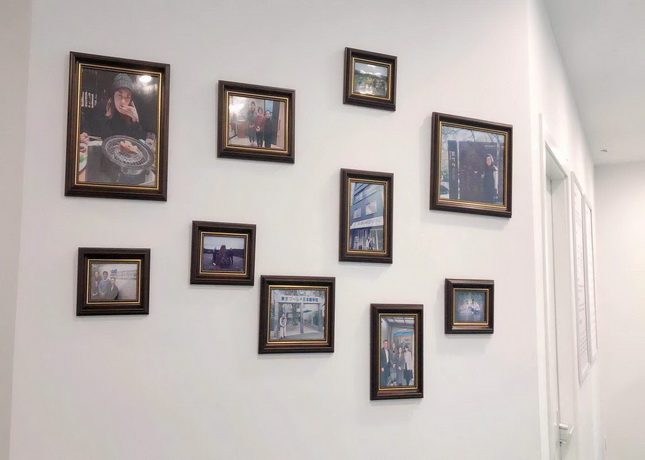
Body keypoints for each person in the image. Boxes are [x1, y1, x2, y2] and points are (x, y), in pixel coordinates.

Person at [80, 73, 146, 142]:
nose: (123, 101)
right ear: (113, 95)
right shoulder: (101, 108)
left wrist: (135, 120)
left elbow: (135, 141)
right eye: (120, 95)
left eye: (127, 97)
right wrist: (106, 118)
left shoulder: (132, 112)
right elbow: (94, 133)